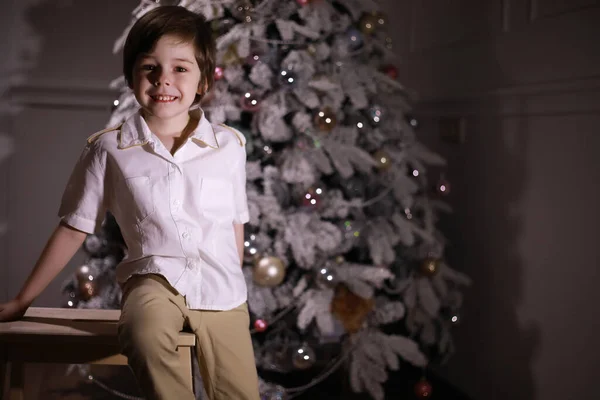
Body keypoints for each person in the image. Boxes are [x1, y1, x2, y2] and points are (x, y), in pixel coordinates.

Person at [0, 6, 260, 400]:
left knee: (238, 392)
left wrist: (231, 275)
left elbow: (235, 220)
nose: (163, 81)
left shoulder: (229, 147)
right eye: (150, 67)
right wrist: (23, 299)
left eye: (180, 69)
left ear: (204, 80)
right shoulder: (109, 149)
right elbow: (74, 227)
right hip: (153, 280)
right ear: (132, 76)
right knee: (145, 332)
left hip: (220, 288)